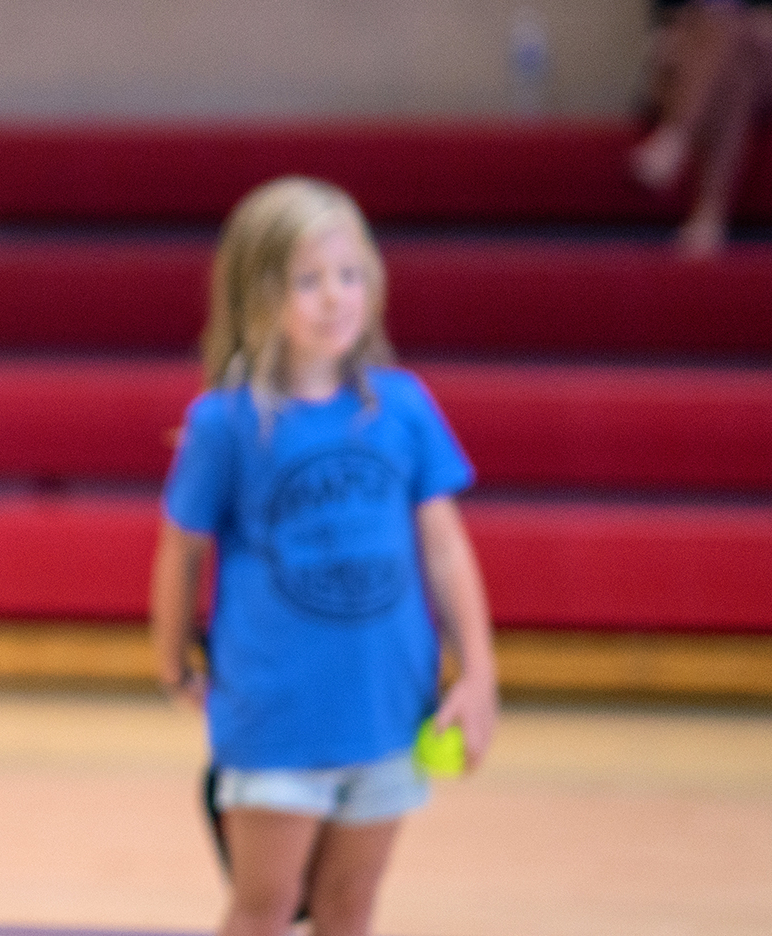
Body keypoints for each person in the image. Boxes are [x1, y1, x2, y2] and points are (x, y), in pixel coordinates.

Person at [148, 177, 498, 936]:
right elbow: (181, 550)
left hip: (388, 713)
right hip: (273, 716)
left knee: (350, 910)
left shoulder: (403, 406)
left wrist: (479, 672)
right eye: (307, 281)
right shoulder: (226, 423)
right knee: (264, 908)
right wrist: (172, 657)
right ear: (256, 294)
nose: (335, 297)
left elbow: (444, 546)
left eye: (349, 275)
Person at [630, 0, 772, 257]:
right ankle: (709, 216)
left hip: (769, 67)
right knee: (737, 75)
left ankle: (675, 137)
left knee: (738, 34)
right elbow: (664, 28)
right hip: (688, 67)